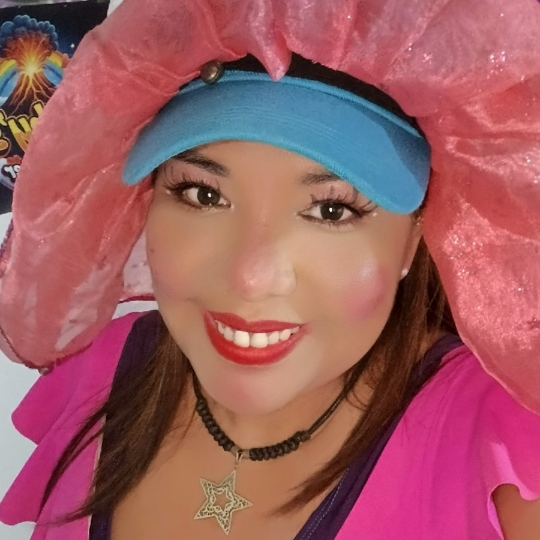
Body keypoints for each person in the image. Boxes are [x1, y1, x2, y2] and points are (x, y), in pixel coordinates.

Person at [0, 1, 540, 539]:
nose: (251, 277)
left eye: (331, 211)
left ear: (416, 236)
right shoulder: (99, 374)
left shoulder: (500, 454)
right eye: (202, 194)